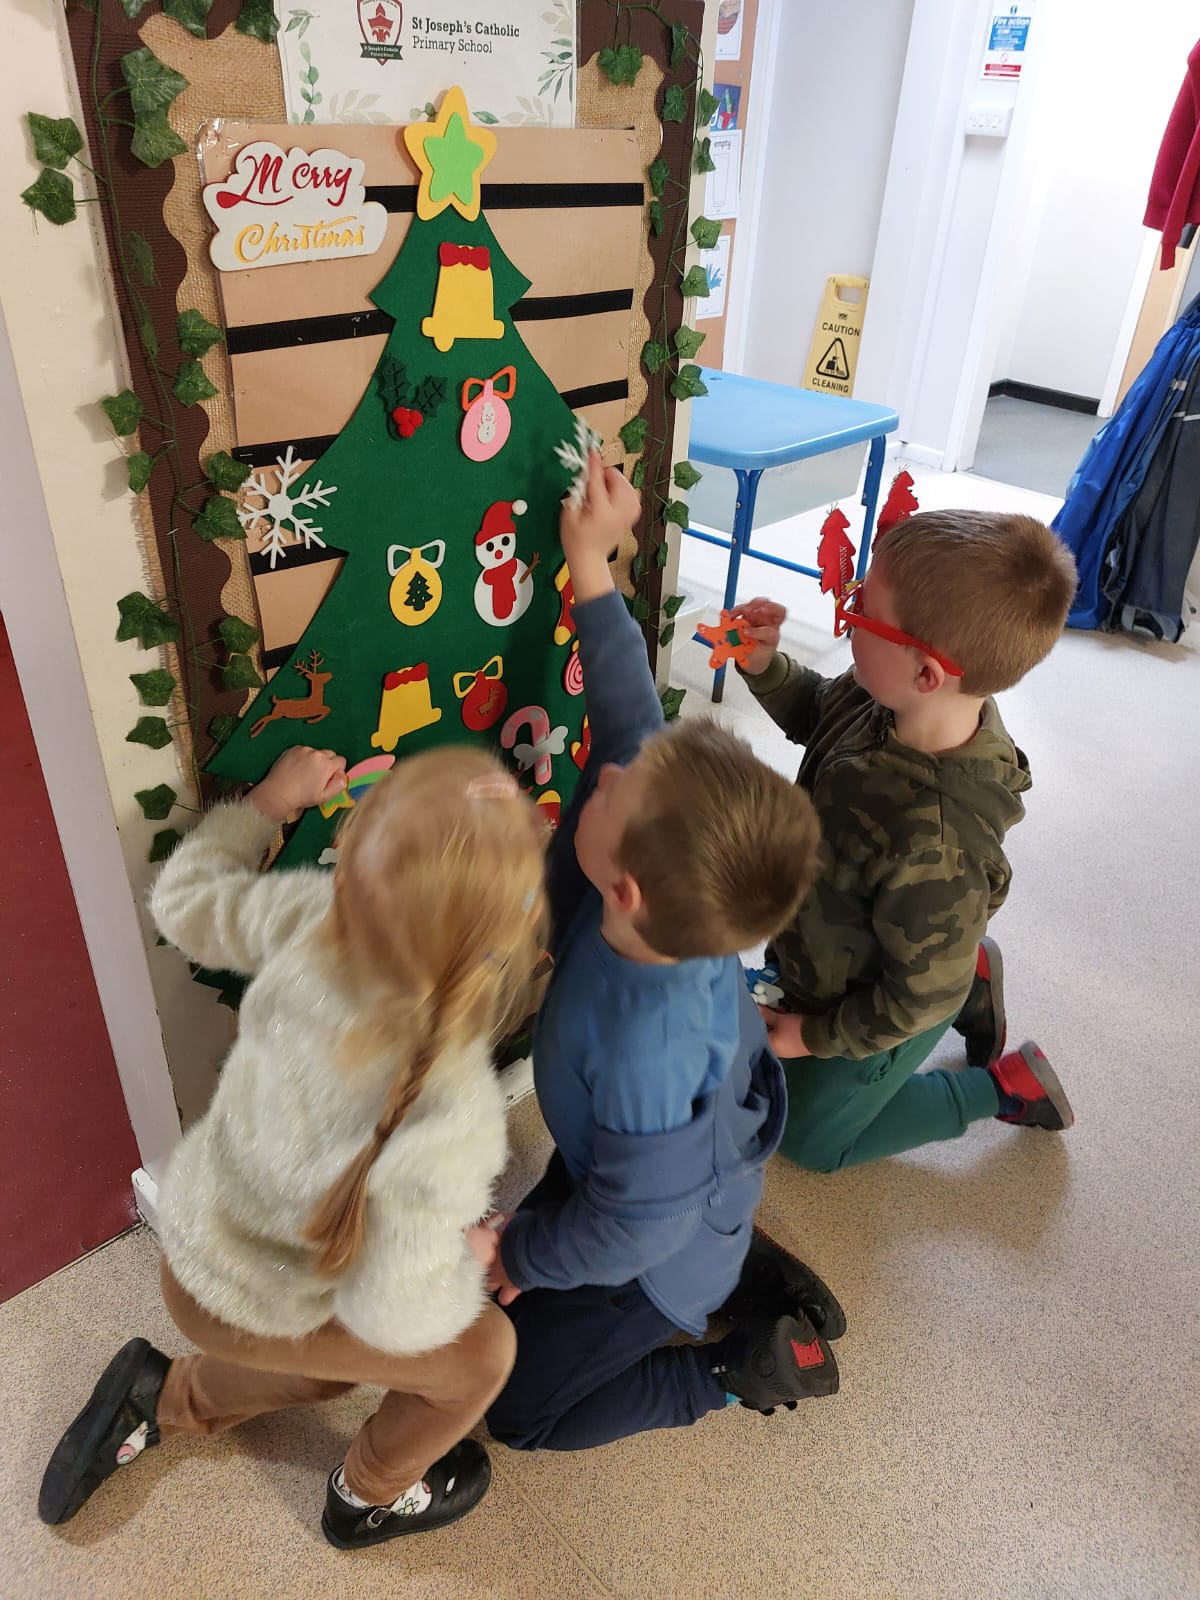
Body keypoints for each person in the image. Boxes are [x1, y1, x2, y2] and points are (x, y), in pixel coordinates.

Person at [39, 744, 547, 1550]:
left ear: (348, 871)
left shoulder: (309, 919)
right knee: (485, 1353)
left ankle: (164, 1399)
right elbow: (401, 1312)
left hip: (195, 1252)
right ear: (505, 945)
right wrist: (469, 1256)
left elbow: (182, 901)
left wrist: (269, 804)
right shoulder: (458, 1111)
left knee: (332, 1363)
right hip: (260, 1303)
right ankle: (370, 1496)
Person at [484, 454, 842, 1457]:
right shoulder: (666, 885)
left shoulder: (651, 1048)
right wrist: (589, 566)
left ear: (628, 890)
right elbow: (629, 720)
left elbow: (632, 1227)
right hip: (644, 1180)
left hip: (655, 1255)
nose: (602, 773)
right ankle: (734, 1254)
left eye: (610, 790)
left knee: (515, 1410)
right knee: (563, 1250)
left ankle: (729, 1369)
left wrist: (524, 1253)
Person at [731, 507, 1079, 1172]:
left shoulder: (937, 848)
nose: (847, 616)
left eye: (860, 611)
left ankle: (1003, 1088)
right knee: (927, 955)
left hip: (891, 997)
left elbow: (917, 998)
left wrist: (812, 1037)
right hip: (865, 944)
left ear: (926, 673)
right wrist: (767, 667)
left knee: (810, 1141)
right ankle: (965, 965)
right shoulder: (888, 699)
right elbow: (816, 710)